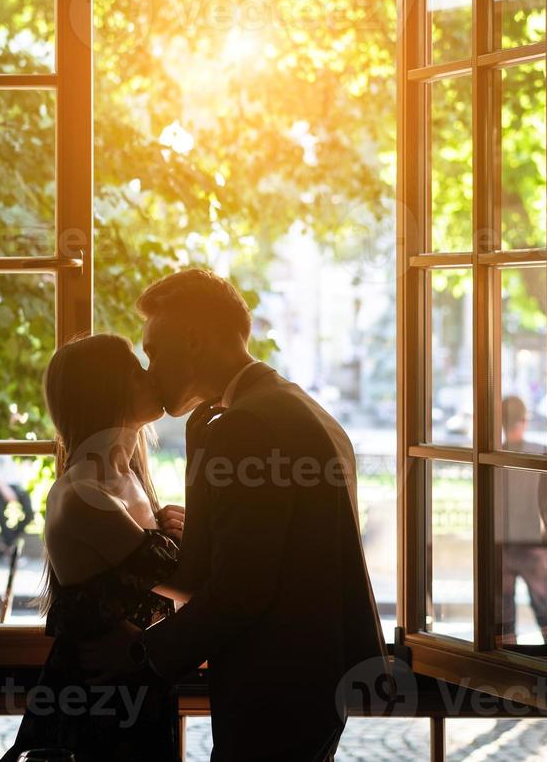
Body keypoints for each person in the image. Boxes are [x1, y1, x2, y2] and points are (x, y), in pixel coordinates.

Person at [80, 269, 386, 762]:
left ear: (194, 340)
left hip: (273, 686)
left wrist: (142, 652)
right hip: (312, 679)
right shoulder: (291, 407)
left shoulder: (244, 427)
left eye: (155, 351)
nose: (149, 369)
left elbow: (242, 588)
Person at [0, 334, 187, 762]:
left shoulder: (129, 479)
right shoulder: (84, 494)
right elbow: (189, 586)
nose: (151, 374)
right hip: (95, 714)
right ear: (109, 388)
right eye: (137, 369)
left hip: (132, 697)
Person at [498, 395, 547, 645]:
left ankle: (506, 665)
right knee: (546, 610)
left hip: (500, 543)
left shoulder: (491, 457)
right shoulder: (541, 454)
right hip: (534, 544)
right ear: (523, 421)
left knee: (502, 616)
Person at [0, 455, 36, 563]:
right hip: (2, 486)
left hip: (19, 486)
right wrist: (5, 489)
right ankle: (10, 550)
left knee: (29, 513)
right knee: (0, 516)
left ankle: (4, 547)